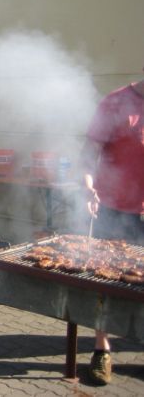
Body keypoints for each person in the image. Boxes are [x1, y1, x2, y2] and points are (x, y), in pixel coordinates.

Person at [81, 75, 144, 385]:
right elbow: (88, 152)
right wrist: (88, 185)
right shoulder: (116, 102)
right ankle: (101, 349)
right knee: (105, 281)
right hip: (114, 208)